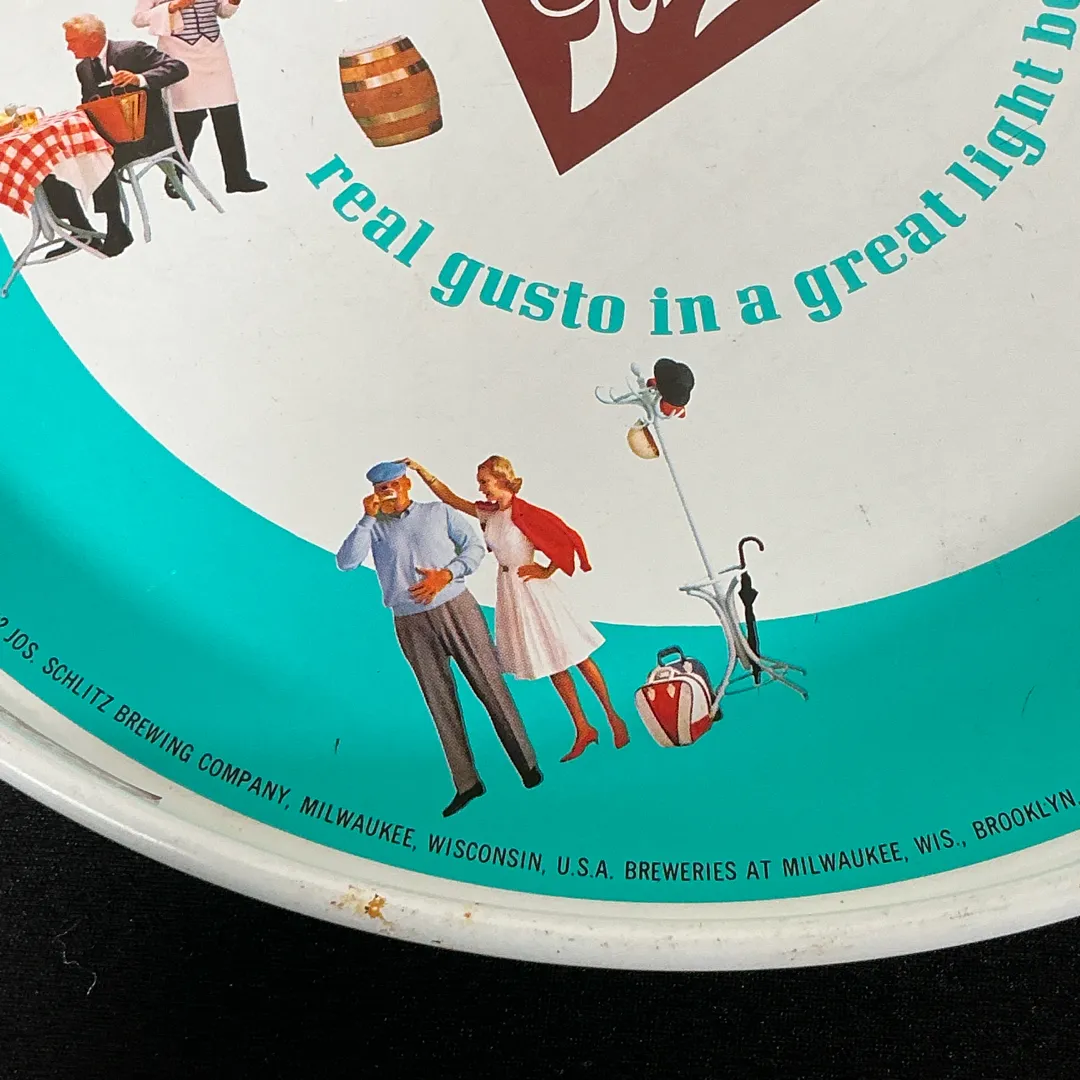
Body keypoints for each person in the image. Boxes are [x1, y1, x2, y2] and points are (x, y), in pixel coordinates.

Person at [336, 461, 543, 817]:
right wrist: (367, 518)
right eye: (381, 487)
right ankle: (467, 783)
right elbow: (346, 562)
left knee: (490, 684)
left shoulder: (437, 512)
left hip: (457, 607)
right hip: (409, 621)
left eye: (393, 484)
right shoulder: (373, 527)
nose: (388, 491)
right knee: (439, 700)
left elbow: (474, 548)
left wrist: (447, 575)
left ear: (406, 484)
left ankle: (527, 765)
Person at [403, 455, 631, 764]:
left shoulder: (526, 512)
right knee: (553, 661)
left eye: (485, 482)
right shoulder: (489, 513)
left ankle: (613, 716)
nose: (481, 488)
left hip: (534, 590)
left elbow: (566, 537)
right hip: (511, 592)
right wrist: (422, 471)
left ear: (501, 480)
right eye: (480, 483)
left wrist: (547, 570)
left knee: (575, 654)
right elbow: (451, 500)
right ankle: (583, 727)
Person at [40, 13, 189, 258]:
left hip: (149, 135)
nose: (68, 47)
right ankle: (79, 229)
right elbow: (91, 105)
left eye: (72, 41)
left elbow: (179, 68)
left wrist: (139, 79)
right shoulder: (83, 68)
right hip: (114, 136)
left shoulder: (132, 51)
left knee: (98, 155)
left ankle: (116, 226)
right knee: (54, 160)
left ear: (92, 38)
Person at [133, 0, 265, 199]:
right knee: (187, 118)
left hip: (213, 51)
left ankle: (237, 177)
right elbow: (139, 18)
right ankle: (175, 177)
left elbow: (222, 10)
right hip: (178, 54)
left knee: (227, 113)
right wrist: (172, 6)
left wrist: (232, 3)